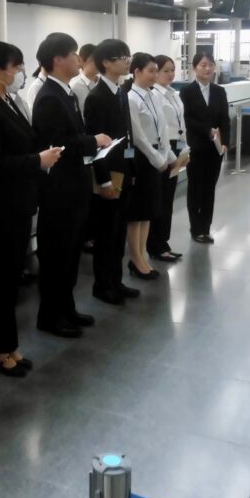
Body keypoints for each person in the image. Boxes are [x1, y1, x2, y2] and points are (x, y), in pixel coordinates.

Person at [0, 42, 61, 376]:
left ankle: (8, 344)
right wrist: (37, 161)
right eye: (16, 67)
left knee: (9, 283)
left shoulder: (5, 102)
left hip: (16, 206)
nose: (20, 73)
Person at [32, 33, 112, 338]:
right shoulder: (49, 97)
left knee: (70, 254)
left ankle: (66, 308)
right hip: (59, 191)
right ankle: (51, 316)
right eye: (74, 54)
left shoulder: (64, 93)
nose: (79, 60)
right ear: (58, 60)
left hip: (74, 186)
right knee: (57, 255)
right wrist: (93, 141)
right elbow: (58, 144)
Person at [85, 39, 141, 305]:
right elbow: (96, 145)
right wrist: (104, 181)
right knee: (106, 233)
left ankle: (116, 281)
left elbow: (126, 135)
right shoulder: (96, 97)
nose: (127, 62)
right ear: (106, 62)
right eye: (122, 58)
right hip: (108, 175)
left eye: (128, 57)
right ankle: (102, 285)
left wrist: (131, 168)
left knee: (118, 232)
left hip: (123, 170)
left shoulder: (120, 91)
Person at [126, 54, 185, 280]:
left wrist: (169, 155)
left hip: (157, 156)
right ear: (137, 71)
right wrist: (158, 160)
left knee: (149, 212)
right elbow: (139, 137)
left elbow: (163, 131)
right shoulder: (131, 98)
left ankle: (142, 256)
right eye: (151, 71)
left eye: (155, 71)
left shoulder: (153, 95)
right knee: (138, 213)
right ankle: (136, 259)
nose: (154, 75)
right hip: (143, 159)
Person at [181, 52, 230, 244]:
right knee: (196, 188)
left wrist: (225, 142)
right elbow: (186, 119)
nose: (208, 68)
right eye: (203, 65)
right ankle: (195, 228)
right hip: (196, 147)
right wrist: (206, 130)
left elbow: (225, 119)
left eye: (210, 65)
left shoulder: (219, 91)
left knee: (209, 189)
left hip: (215, 149)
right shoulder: (187, 92)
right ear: (194, 68)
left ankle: (205, 228)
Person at [148, 55, 187, 262]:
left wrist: (185, 148)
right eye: (165, 70)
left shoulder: (173, 93)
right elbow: (160, 129)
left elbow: (181, 124)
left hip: (177, 146)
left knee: (169, 198)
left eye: (172, 70)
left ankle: (164, 241)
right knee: (160, 200)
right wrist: (171, 153)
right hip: (164, 148)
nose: (170, 74)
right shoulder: (154, 95)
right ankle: (156, 245)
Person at [69, 43, 98, 116]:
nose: (98, 63)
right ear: (82, 60)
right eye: (94, 60)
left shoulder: (102, 83)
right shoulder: (74, 86)